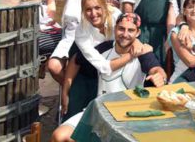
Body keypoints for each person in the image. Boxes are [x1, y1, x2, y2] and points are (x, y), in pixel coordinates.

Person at [52, 12, 165, 142]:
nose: (125, 34)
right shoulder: (104, 48)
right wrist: (65, 92)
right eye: (121, 28)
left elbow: (156, 69)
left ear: (137, 33)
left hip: (127, 116)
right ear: (115, 29)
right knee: (59, 136)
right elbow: (76, 60)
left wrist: (159, 76)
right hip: (98, 111)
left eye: (131, 30)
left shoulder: (142, 52)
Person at [16, 0, 103, 84]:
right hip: (69, 38)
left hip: (89, 40)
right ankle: (72, 91)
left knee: (81, 71)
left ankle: (75, 93)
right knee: (53, 66)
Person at [168, 0, 195, 83]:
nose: (194, 10)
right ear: (184, 11)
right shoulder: (176, 33)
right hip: (182, 79)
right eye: (190, 7)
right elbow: (190, 62)